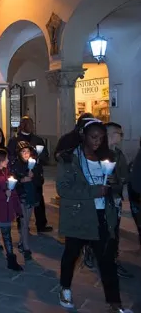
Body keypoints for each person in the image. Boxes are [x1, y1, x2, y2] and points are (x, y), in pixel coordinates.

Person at [56, 119, 129, 312]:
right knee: (71, 254)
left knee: (107, 261)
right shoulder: (69, 159)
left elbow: (118, 185)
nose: (97, 141)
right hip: (79, 215)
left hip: (103, 216)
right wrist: (94, 191)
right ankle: (65, 288)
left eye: (101, 138)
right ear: (84, 136)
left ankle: (115, 303)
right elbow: (63, 189)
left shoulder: (108, 157)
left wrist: (114, 183)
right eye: (93, 137)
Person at [83, 122, 133, 278]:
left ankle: (113, 260)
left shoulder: (119, 154)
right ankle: (90, 250)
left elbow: (124, 176)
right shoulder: (93, 153)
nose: (122, 137)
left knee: (113, 230)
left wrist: (117, 181)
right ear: (110, 134)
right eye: (119, 133)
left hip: (114, 199)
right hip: (97, 199)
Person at [7, 116, 52, 233]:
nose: (28, 125)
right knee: (22, 200)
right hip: (22, 174)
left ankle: (41, 224)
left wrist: (39, 157)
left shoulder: (38, 140)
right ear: (21, 125)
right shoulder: (14, 140)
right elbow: (11, 157)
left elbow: (46, 157)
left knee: (38, 199)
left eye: (30, 123)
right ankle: (22, 224)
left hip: (35, 175)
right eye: (25, 123)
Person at [10, 141, 43, 261]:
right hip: (20, 197)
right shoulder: (16, 165)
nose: (25, 154)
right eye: (23, 151)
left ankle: (21, 242)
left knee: (27, 222)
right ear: (19, 153)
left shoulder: (35, 165)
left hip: (31, 196)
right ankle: (26, 248)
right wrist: (21, 180)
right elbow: (11, 181)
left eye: (27, 151)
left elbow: (40, 181)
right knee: (24, 222)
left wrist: (34, 177)